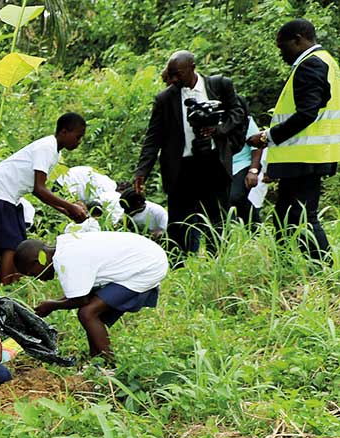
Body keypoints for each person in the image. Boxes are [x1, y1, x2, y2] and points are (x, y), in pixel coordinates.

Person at [133, 51, 248, 255]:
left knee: (216, 219)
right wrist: (142, 171)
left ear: (192, 67)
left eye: (178, 74)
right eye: (171, 74)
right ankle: (179, 266)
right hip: (181, 167)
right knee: (179, 222)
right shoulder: (164, 99)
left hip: (214, 162)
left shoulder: (219, 85)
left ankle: (218, 261)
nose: (174, 79)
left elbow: (238, 112)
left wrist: (218, 130)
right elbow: (153, 137)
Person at [248, 18, 338, 263]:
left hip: (305, 155)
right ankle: (283, 265)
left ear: (298, 39)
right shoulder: (326, 61)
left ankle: (324, 268)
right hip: (308, 154)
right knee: (284, 215)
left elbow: (307, 113)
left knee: (303, 217)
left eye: (283, 47)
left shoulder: (311, 65)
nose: (281, 54)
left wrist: (268, 136)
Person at [0, 113, 89, 285]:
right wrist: (70, 207)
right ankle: (5, 285)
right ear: (64, 132)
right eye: (78, 136)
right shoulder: (46, 147)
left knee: (10, 237)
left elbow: (38, 191)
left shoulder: (54, 152)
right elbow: (40, 189)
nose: (79, 141)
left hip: (6, 194)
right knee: (13, 244)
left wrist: (66, 211)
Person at [14, 229, 169, 363]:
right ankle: (96, 359)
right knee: (92, 312)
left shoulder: (66, 261)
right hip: (145, 255)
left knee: (88, 313)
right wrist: (53, 303)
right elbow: (81, 294)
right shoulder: (65, 245)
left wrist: (52, 305)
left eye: (32, 274)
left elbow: (81, 300)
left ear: (37, 262)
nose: (37, 278)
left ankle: (108, 366)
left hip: (147, 266)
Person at [228, 116, 270, 224]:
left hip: (242, 163)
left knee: (235, 196)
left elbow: (257, 145)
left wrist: (253, 170)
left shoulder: (243, 118)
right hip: (223, 166)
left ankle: (255, 228)